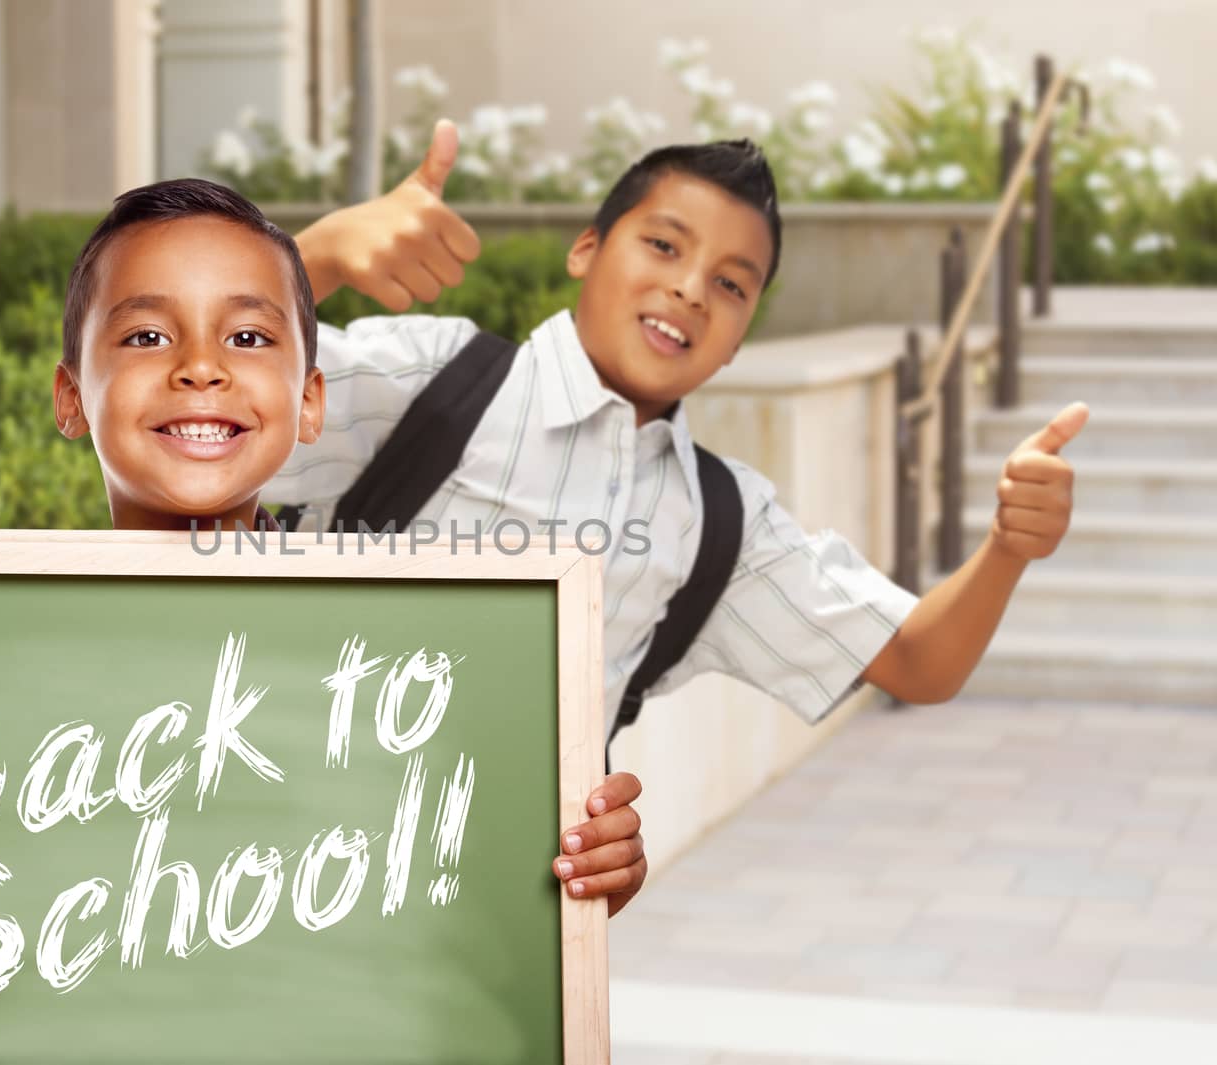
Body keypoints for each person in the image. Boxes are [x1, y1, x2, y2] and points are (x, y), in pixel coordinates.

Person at [0, 178, 649, 917]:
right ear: (72, 397)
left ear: (311, 399)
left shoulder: (412, 655)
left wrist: (587, 868)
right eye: (148, 333)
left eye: (246, 335)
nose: (200, 366)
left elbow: (479, 893)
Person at [272, 123, 1088, 914]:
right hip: (272, 860)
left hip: (482, 935)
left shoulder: (719, 523)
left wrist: (1008, 547)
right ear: (587, 249)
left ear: (740, 338)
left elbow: (919, 662)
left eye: (732, 284)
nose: (692, 287)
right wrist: (312, 260)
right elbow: (164, 397)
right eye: (663, 245)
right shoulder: (429, 380)